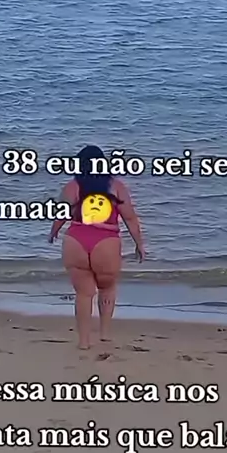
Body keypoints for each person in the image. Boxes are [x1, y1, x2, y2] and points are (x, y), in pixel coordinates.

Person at [48, 145, 145, 349]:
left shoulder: (73, 186)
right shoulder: (115, 186)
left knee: (83, 294)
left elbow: (61, 214)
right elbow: (129, 218)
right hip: (106, 241)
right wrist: (139, 244)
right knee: (107, 288)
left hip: (76, 240)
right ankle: (105, 334)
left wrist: (53, 232)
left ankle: (84, 341)